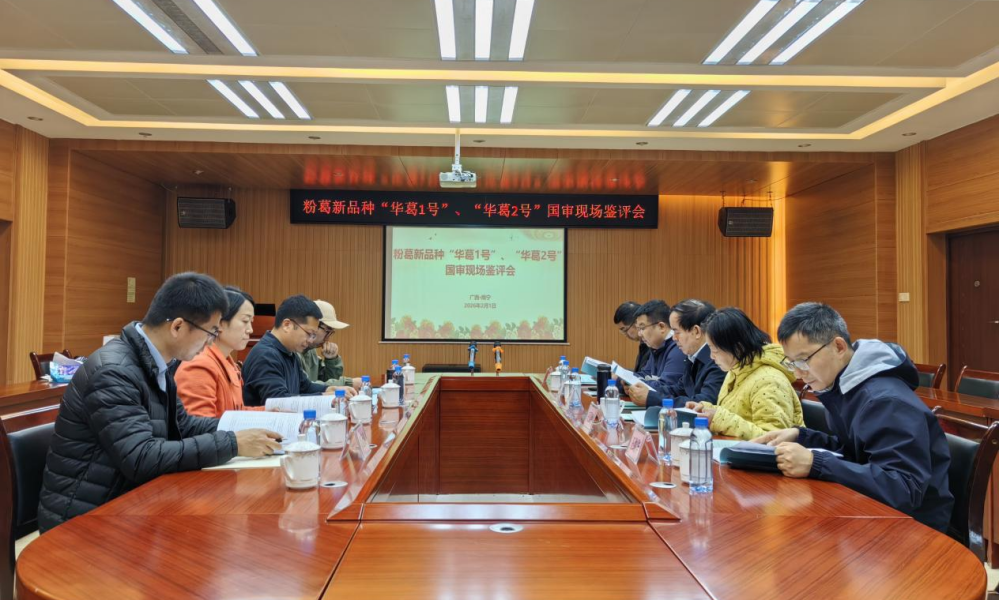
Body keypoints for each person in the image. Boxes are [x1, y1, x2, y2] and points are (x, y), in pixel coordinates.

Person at [37, 273, 282, 532]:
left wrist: (244, 429)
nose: (210, 342)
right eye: (210, 332)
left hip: (132, 503)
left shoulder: (157, 363)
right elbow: (140, 457)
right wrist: (233, 443)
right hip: (85, 520)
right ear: (177, 327)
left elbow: (183, 425)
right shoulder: (114, 372)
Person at [753, 302, 953, 532]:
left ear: (838, 346)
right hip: (874, 512)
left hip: (915, 529)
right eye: (791, 363)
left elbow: (904, 488)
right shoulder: (843, 387)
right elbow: (855, 451)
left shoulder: (884, 401)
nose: (798, 373)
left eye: (804, 360)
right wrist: (802, 437)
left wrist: (816, 463)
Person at [688, 307, 802, 440]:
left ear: (737, 348)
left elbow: (773, 439)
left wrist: (719, 418)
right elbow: (736, 413)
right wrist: (706, 409)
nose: (712, 357)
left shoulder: (769, 380)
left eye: (715, 350)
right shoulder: (737, 369)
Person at [175, 286, 263, 417]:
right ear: (219, 323)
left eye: (251, 322)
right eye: (245, 321)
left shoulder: (228, 363)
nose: (250, 329)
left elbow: (236, 413)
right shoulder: (199, 366)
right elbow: (200, 424)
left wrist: (272, 412)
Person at [241, 295, 341, 406]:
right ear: (287, 325)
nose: (310, 340)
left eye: (313, 335)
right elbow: (279, 402)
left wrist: (329, 389)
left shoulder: (289, 352)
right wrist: (324, 397)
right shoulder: (265, 356)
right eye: (309, 334)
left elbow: (305, 387)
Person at [641, 299, 725, 408]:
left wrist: (652, 398)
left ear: (696, 331)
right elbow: (679, 389)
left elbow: (702, 403)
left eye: (677, 332)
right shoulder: (693, 356)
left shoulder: (717, 361)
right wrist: (646, 390)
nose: (674, 338)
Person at [625, 300, 686, 407]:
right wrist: (625, 379)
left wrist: (634, 384)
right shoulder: (656, 346)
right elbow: (645, 374)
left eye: (642, 328)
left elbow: (666, 386)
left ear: (661, 327)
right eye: (638, 329)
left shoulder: (678, 348)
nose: (640, 334)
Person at [297, 300, 361, 392]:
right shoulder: (293, 351)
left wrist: (331, 361)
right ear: (313, 325)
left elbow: (326, 383)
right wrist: (347, 383)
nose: (327, 338)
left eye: (331, 333)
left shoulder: (311, 350)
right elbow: (306, 387)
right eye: (327, 331)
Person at [614, 301, 649, 372]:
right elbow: (641, 372)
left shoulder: (653, 344)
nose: (625, 334)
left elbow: (647, 376)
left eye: (625, 330)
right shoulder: (643, 343)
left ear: (637, 322)